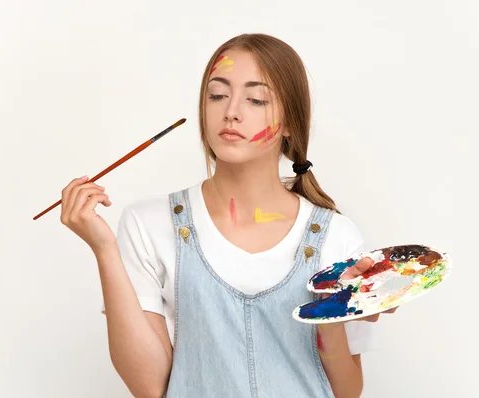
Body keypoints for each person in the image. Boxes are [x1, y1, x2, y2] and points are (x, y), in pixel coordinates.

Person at [61, 33, 395, 398]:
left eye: (256, 99)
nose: (231, 111)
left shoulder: (336, 237)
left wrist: (332, 315)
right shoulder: (149, 224)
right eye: (217, 95)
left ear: (290, 123)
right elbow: (148, 386)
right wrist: (104, 249)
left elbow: (347, 392)